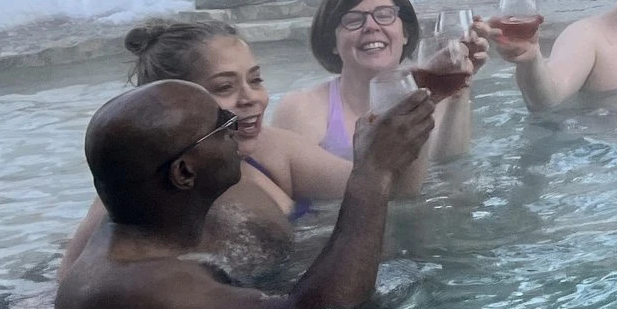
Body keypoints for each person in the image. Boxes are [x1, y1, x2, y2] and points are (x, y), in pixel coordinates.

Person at [54, 80, 434, 309]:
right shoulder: (133, 289)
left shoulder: (157, 216)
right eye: (222, 127)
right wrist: (372, 173)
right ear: (184, 172)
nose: (237, 128)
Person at [56, 21, 416, 283]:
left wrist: (422, 109)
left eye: (255, 79)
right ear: (173, 106)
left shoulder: (274, 151)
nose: (251, 98)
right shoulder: (136, 199)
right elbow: (68, 285)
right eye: (225, 87)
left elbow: (396, 189)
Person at [269, 0, 485, 162]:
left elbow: (452, 177)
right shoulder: (301, 108)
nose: (371, 26)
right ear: (333, 43)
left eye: (384, 15)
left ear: (405, 34)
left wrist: (459, 85)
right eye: (353, 20)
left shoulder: (434, 99)